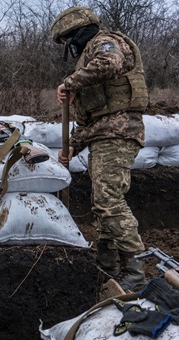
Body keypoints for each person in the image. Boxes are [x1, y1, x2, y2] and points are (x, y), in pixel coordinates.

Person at [51, 7, 149, 291]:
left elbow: (111, 63)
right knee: (103, 202)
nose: (68, 49)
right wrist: (72, 146)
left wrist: (69, 82)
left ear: (75, 34)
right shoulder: (87, 58)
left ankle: (135, 271)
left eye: (67, 43)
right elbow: (94, 119)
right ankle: (107, 266)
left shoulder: (105, 44)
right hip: (103, 136)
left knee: (108, 201)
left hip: (119, 135)